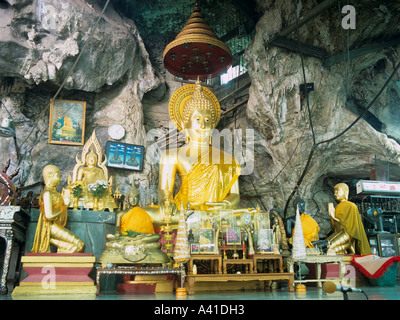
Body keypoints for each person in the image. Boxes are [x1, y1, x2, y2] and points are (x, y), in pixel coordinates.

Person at [145, 80, 241, 227]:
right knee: (147, 215)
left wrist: (226, 205)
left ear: (212, 125)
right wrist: (167, 201)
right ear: (184, 125)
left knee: (249, 216)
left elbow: (235, 195)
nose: (203, 125)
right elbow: (165, 190)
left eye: (207, 120)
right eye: (197, 119)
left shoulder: (227, 158)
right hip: (184, 212)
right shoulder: (172, 155)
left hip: (214, 213)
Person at [31, 165, 85, 253]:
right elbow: (48, 216)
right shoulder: (47, 193)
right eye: (58, 176)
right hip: (50, 227)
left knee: (79, 247)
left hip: (55, 225)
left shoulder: (55, 193)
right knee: (80, 245)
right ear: (50, 175)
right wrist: (65, 206)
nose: (60, 179)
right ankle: (47, 239)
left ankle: (51, 242)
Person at [327, 183, 371, 255]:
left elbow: (353, 228)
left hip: (347, 234)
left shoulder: (351, 206)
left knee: (329, 247)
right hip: (338, 233)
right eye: (334, 192)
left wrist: (333, 216)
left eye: (338, 191)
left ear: (345, 192)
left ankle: (349, 246)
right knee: (323, 246)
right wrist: (331, 215)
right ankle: (348, 247)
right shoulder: (337, 207)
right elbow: (335, 226)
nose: (335, 193)